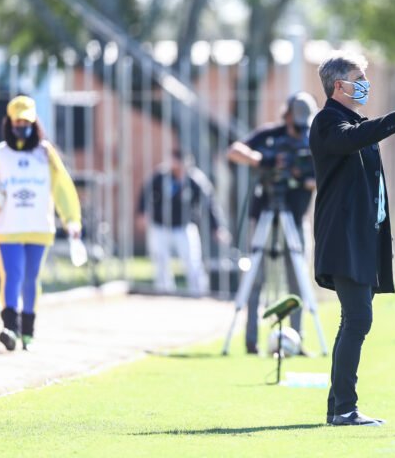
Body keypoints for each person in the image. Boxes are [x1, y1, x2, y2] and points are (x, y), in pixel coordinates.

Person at [310, 50, 395, 427]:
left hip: (363, 240)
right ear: (340, 85)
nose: (365, 85)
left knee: (352, 321)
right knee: (358, 320)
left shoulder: (353, 121)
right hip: (343, 240)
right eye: (359, 78)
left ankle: (338, 407)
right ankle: (344, 409)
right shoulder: (328, 123)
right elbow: (355, 138)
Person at [0, 95, 82, 351]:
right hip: (6, 228)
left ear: (34, 122)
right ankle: (10, 327)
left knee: (31, 277)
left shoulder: (45, 154)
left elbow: (63, 187)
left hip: (39, 227)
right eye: (17, 121)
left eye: (26, 121)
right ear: (9, 122)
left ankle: (27, 331)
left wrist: (72, 219)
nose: (22, 125)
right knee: (13, 274)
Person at [227, 92, 318, 355]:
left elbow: (323, 178)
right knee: (255, 279)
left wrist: (302, 178)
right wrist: (263, 159)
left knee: (298, 279)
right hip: (265, 212)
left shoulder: (312, 139)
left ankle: (297, 340)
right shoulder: (270, 135)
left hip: (296, 217)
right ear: (286, 113)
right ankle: (251, 341)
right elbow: (234, 151)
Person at [136, 150, 230, 295]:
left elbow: (209, 204)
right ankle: (164, 293)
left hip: (184, 227)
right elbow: (145, 193)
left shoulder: (195, 179)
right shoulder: (160, 176)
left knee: (193, 262)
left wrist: (217, 227)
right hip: (160, 226)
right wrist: (142, 213)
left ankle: (198, 294)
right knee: (160, 262)